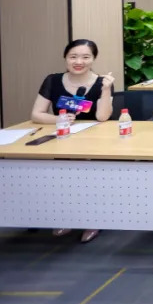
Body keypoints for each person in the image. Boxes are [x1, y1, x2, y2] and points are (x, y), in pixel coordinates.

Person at [32, 39, 115, 244]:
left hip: (94, 141)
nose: (79, 62)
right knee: (63, 174)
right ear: (65, 58)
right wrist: (58, 119)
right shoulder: (52, 80)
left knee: (86, 173)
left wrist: (106, 90)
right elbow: (36, 114)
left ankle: (92, 220)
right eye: (73, 57)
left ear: (93, 59)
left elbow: (103, 117)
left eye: (85, 57)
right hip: (62, 138)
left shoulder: (102, 82)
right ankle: (67, 216)